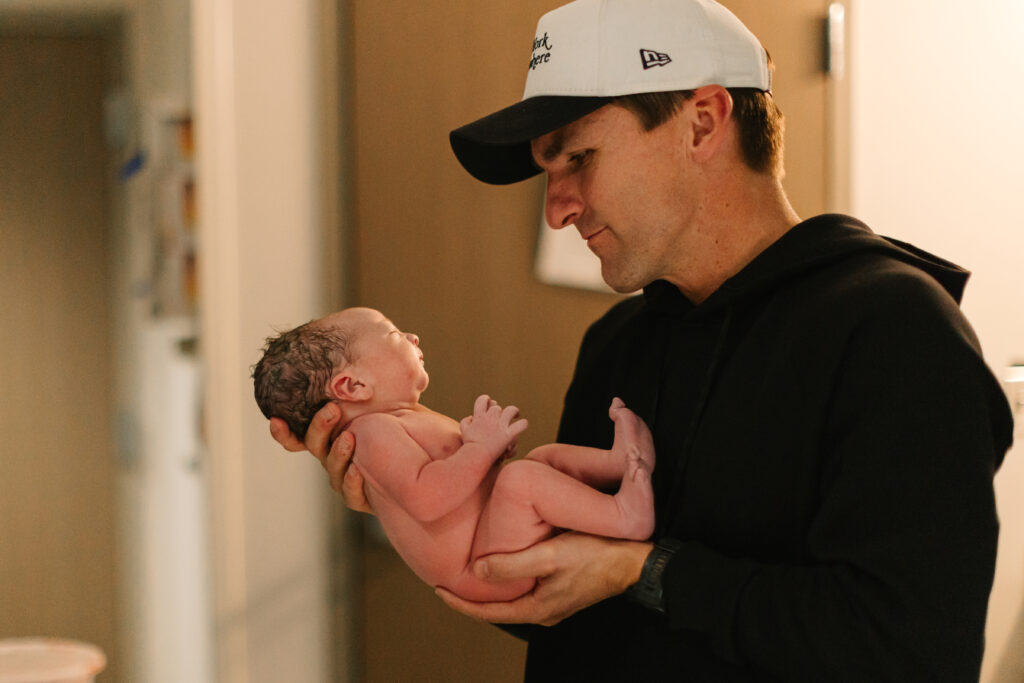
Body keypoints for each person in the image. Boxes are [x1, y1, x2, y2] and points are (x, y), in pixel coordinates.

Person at [273, 0, 1015, 679]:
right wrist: (428, 513)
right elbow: (575, 612)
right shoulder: (620, 342)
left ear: (702, 121)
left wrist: (641, 569)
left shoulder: (895, 333)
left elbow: (908, 649)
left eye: (579, 159)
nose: (558, 209)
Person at [254, 307, 656, 602]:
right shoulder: (372, 433)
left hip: (489, 542)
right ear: (353, 386)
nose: (411, 336)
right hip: (481, 568)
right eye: (393, 334)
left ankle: (619, 464)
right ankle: (625, 517)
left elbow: (464, 484)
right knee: (523, 479)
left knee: (542, 461)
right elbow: (429, 499)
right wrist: (481, 449)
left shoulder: (398, 421)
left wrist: (490, 453)